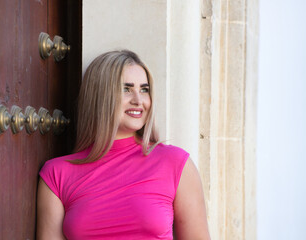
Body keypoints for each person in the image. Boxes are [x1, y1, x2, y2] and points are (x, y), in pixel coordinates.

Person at [36, 50, 210, 239]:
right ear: (100, 96)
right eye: (126, 89)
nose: (139, 100)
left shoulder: (176, 164)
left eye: (144, 89)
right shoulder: (56, 174)